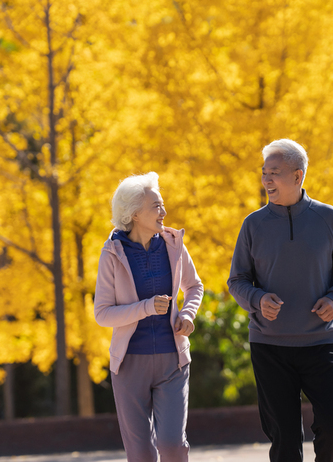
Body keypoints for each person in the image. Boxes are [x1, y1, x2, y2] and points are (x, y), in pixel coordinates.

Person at [227, 139, 333, 462]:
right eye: (264, 173)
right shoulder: (252, 225)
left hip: (321, 341)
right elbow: (237, 281)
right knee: (285, 440)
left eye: (274, 173)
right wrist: (258, 299)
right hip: (270, 346)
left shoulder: (328, 218)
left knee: (332, 429)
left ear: (298, 176)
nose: (266, 180)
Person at [94, 172, 203, 462]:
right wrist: (145, 307)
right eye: (156, 206)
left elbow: (194, 286)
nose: (164, 212)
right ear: (134, 214)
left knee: (171, 445)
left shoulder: (172, 244)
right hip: (130, 364)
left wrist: (189, 314)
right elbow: (102, 314)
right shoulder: (112, 253)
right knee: (141, 454)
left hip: (172, 360)